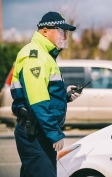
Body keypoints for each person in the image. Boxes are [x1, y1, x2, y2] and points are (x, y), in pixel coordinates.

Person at [10, 11, 81, 177]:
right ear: (45, 31)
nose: (64, 36)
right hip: (36, 133)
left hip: (38, 132)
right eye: (61, 31)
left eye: (66, 32)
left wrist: (65, 95)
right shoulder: (35, 55)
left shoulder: (45, 55)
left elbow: (43, 93)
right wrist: (54, 133)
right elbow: (38, 101)